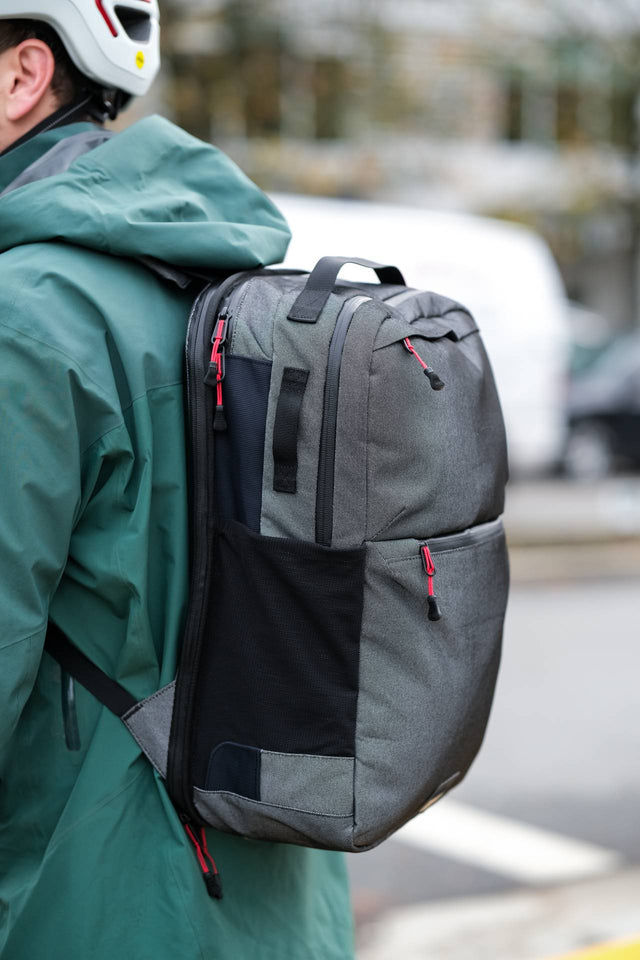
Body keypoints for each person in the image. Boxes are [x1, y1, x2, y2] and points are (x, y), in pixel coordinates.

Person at [0, 4, 355, 958]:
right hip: (277, 900)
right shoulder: (214, 281)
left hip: (86, 903)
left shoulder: (23, 315)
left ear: (21, 77)